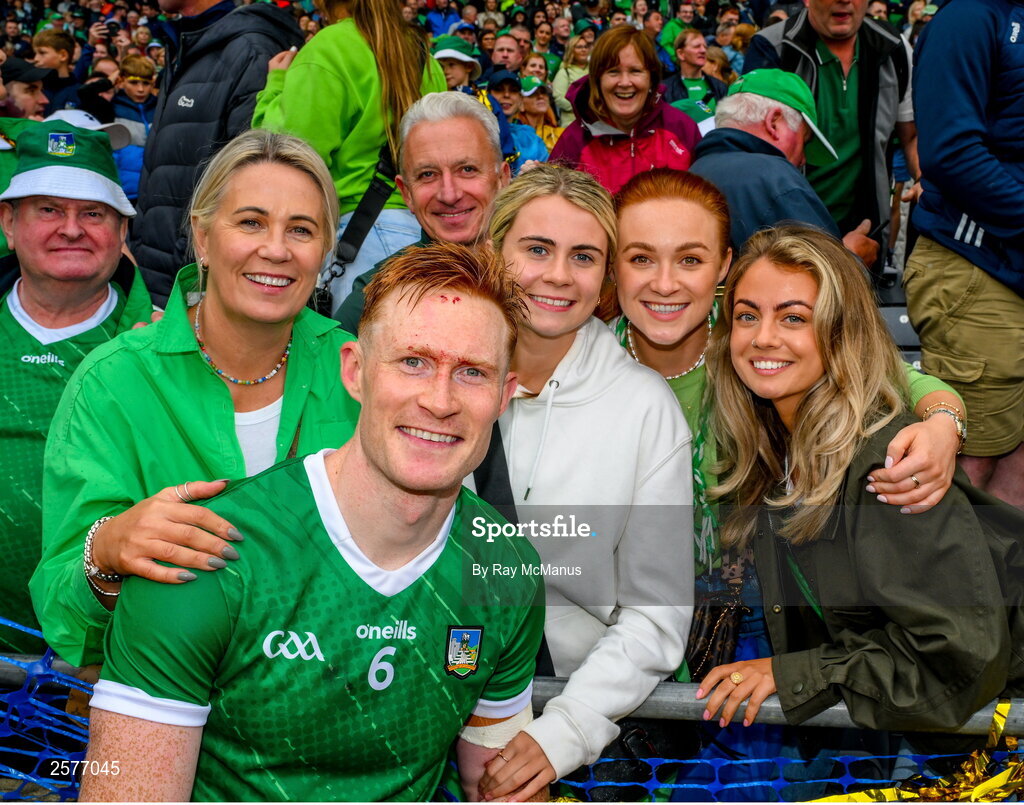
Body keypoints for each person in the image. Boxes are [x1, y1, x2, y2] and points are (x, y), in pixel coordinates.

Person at [78, 241, 548, 802]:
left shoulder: (503, 569)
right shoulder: (208, 551)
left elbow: (494, 786)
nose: (439, 400)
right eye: (413, 362)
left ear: (504, 396)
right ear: (355, 371)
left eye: (472, 372)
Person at [31, 130, 363, 668]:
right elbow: (65, 615)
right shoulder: (116, 380)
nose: (275, 249)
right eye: (251, 222)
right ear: (203, 237)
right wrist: (108, 548)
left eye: (300, 229)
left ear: (324, 251)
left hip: (331, 709)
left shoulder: (362, 373)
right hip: (161, 705)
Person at [696, 225, 1024, 733]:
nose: (763, 337)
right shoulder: (773, 435)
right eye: (747, 315)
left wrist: (799, 674)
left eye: (794, 318)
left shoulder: (886, 465)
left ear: (840, 331)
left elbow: (962, 663)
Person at [474, 163, 693, 801]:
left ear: (604, 276)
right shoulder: (439, 372)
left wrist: (563, 730)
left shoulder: (643, 406)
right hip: (430, 706)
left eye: (584, 256)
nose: (558, 275)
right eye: (536, 249)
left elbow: (656, 613)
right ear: (495, 251)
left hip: (571, 726)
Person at [0, 122, 151, 655]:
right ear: (8, 223)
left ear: (122, 231)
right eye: (48, 210)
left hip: (109, 665)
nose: (71, 229)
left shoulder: (162, 347)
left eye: (93, 214)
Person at [903, 0, 1024, 506]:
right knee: (970, 464)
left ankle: (1003, 585)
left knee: (1014, 458)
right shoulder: (972, 16)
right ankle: (950, 586)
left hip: (1007, 269)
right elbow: (951, 153)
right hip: (976, 267)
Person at [252, 0, 445, 318]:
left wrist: (274, 85)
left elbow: (284, 151)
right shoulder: (425, 55)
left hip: (354, 240)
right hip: (419, 233)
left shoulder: (329, 47)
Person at [129, 0, 304, 305]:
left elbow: (254, 179)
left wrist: (193, 256)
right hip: (160, 277)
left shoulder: (250, 50)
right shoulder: (188, 41)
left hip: (196, 283)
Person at [743, 0, 920, 250]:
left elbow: (911, 136)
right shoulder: (774, 48)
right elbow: (752, 159)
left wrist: (924, 177)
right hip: (791, 239)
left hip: (866, 235)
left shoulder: (892, 47)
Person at [334, 92, 511, 335]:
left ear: (502, 178)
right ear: (406, 193)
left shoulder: (545, 274)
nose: (449, 194)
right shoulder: (377, 292)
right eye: (428, 174)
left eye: (467, 169)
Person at [688, 68, 877, 267]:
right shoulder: (775, 178)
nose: (803, 159)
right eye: (804, 140)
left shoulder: (694, 172)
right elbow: (827, 279)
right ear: (774, 122)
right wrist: (853, 257)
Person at [549, 24, 701, 194]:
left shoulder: (682, 128)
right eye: (613, 72)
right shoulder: (575, 139)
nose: (625, 82)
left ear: (651, 78)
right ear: (597, 80)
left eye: (635, 71)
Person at [111, 53, 157, 203]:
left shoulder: (161, 107)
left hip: (153, 190)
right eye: (134, 82)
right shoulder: (112, 107)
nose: (141, 89)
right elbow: (85, 94)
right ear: (122, 80)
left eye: (146, 83)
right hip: (122, 191)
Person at [488, 70, 550, 168]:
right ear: (487, 96)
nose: (507, 95)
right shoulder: (478, 131)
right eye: (499, 89)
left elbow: (548, 174)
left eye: (513, 90)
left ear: (521, 100)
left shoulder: (532, 140)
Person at [662, 28, 727, 108]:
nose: (703, 50)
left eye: (705, 47)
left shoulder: (720, 87)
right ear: (681, 54)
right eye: (697, 46)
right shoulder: (665, 88)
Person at [31, 28, 78, 110]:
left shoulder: (79, 93)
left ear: (63, 55)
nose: (36, 58)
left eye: (42, 53)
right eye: (35, 53)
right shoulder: (31, 90)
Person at [550, 33, 590, 125]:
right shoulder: (564, 72)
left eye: (585, 46)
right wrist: (581, 107)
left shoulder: (594, 71)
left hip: (594, 123)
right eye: (579, 47)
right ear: (571, 50)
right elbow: (559, 98)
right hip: (571, 123)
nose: (583, 49)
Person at [517, 75, 564, 151]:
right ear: (520, 103)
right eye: (533, 93)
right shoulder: (514, 135)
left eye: (543, 92)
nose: (540, 96)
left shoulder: (560, 134)